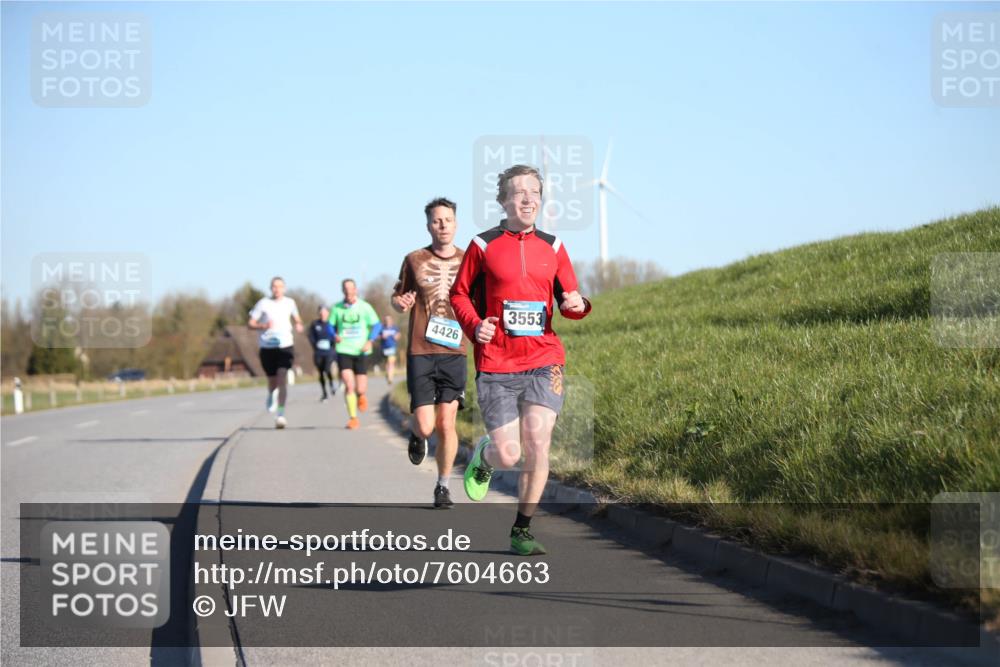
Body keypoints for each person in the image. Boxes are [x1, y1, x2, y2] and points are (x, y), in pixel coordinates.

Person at [451, 165, 592, 555]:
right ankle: (486, 453)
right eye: (518, 192)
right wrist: (475, 325)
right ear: (503, 201)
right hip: (497, 363)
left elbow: (571, 301)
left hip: (545, 359)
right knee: (509, 454)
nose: (528, 199)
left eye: (534, 192)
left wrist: (579, 304)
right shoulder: (482, 245)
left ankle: (522, 529)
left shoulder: (555, 247)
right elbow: (459, 295)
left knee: (538, 441)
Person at [392, 197, 468, 509]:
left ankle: (442, 486)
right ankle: (416, 434)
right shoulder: (414, 259)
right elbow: (398, 295)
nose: (442, 226)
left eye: (447, 220)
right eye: (436, 221)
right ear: (428, 226)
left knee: (446, 424)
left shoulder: (469, 260)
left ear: (456, 223)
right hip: (421, 351)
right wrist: (399, 304)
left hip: (454, 351)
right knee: (425, 425)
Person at [248, 276, 304, 429]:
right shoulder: (263, 303)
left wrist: (299, 325)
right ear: (270, 288)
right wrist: (263, 325)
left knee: (282, 378)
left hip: (285, 345)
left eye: (279, 286)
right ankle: (271, 395)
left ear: (284, 288)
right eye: (274, 286)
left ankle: (280, 414)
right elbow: (250, 323)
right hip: (267, 347)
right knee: (272, 382)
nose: (277, 289)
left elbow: (297, 319)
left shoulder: (290, 303)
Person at [330, 279, 381, 430]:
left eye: (351, 289)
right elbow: (329, 327)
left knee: (360, 388)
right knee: (349, 385)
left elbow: (377, 325)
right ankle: (353, 418)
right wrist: (334, 335)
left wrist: (370, 340)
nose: (349, 292)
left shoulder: (365, 307)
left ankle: (362, 396)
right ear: (343, 291)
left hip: (361, 350)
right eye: (346, 290)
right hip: (344, 350)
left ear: (356, 290)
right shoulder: (337, 308)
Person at [308, 306, 338, 401]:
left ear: (328, 314)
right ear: (319, 314)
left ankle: (332, 384)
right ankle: (324, 393)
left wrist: (332, 344)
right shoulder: (314, 324)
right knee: (320, 372)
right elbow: (311, 336)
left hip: (329, 352)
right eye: (321, 313)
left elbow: (336, 335)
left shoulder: (332, 324)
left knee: (327, 369)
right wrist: (315, 345)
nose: (322, 315)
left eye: (324, 313)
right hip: (318, 352)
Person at [379, 315, 401, 384]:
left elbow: (399, 334)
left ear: (391, 320)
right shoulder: (382, 328)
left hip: (392, 347)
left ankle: (390, 377)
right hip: (384, 348)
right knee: (387, 363)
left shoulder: (395, 328)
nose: (387, 321)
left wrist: (396, 336)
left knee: (391, 362)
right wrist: (382, 337)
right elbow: (377, 336)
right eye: (386, 320)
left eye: (389, 320)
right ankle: (388, 373)